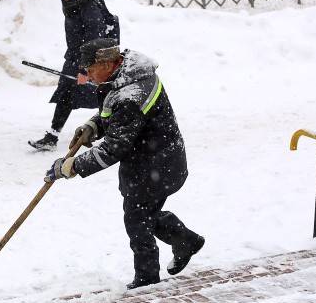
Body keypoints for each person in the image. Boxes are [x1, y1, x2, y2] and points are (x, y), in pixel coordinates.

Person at [44, 38, 205, 290]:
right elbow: (113, 110)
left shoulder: (131, 94)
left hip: (155, 166)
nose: (88, 76)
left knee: (137, 221)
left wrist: (73, 166)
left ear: (108, 63)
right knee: (142, 215)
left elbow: (113, 148)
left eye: (90, 70)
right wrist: (94, 125)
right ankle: (186, 240)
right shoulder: (125, 75)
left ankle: (147, 279)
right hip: (155, 162)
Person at [29, 0, 114, 151]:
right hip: (75, 57)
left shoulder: (90, 7)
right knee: (65, 93)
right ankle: (52, 136)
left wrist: (86, 70)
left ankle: (112, 129)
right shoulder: (73, 3)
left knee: (103, 95)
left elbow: (95, 41)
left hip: (90, 61)